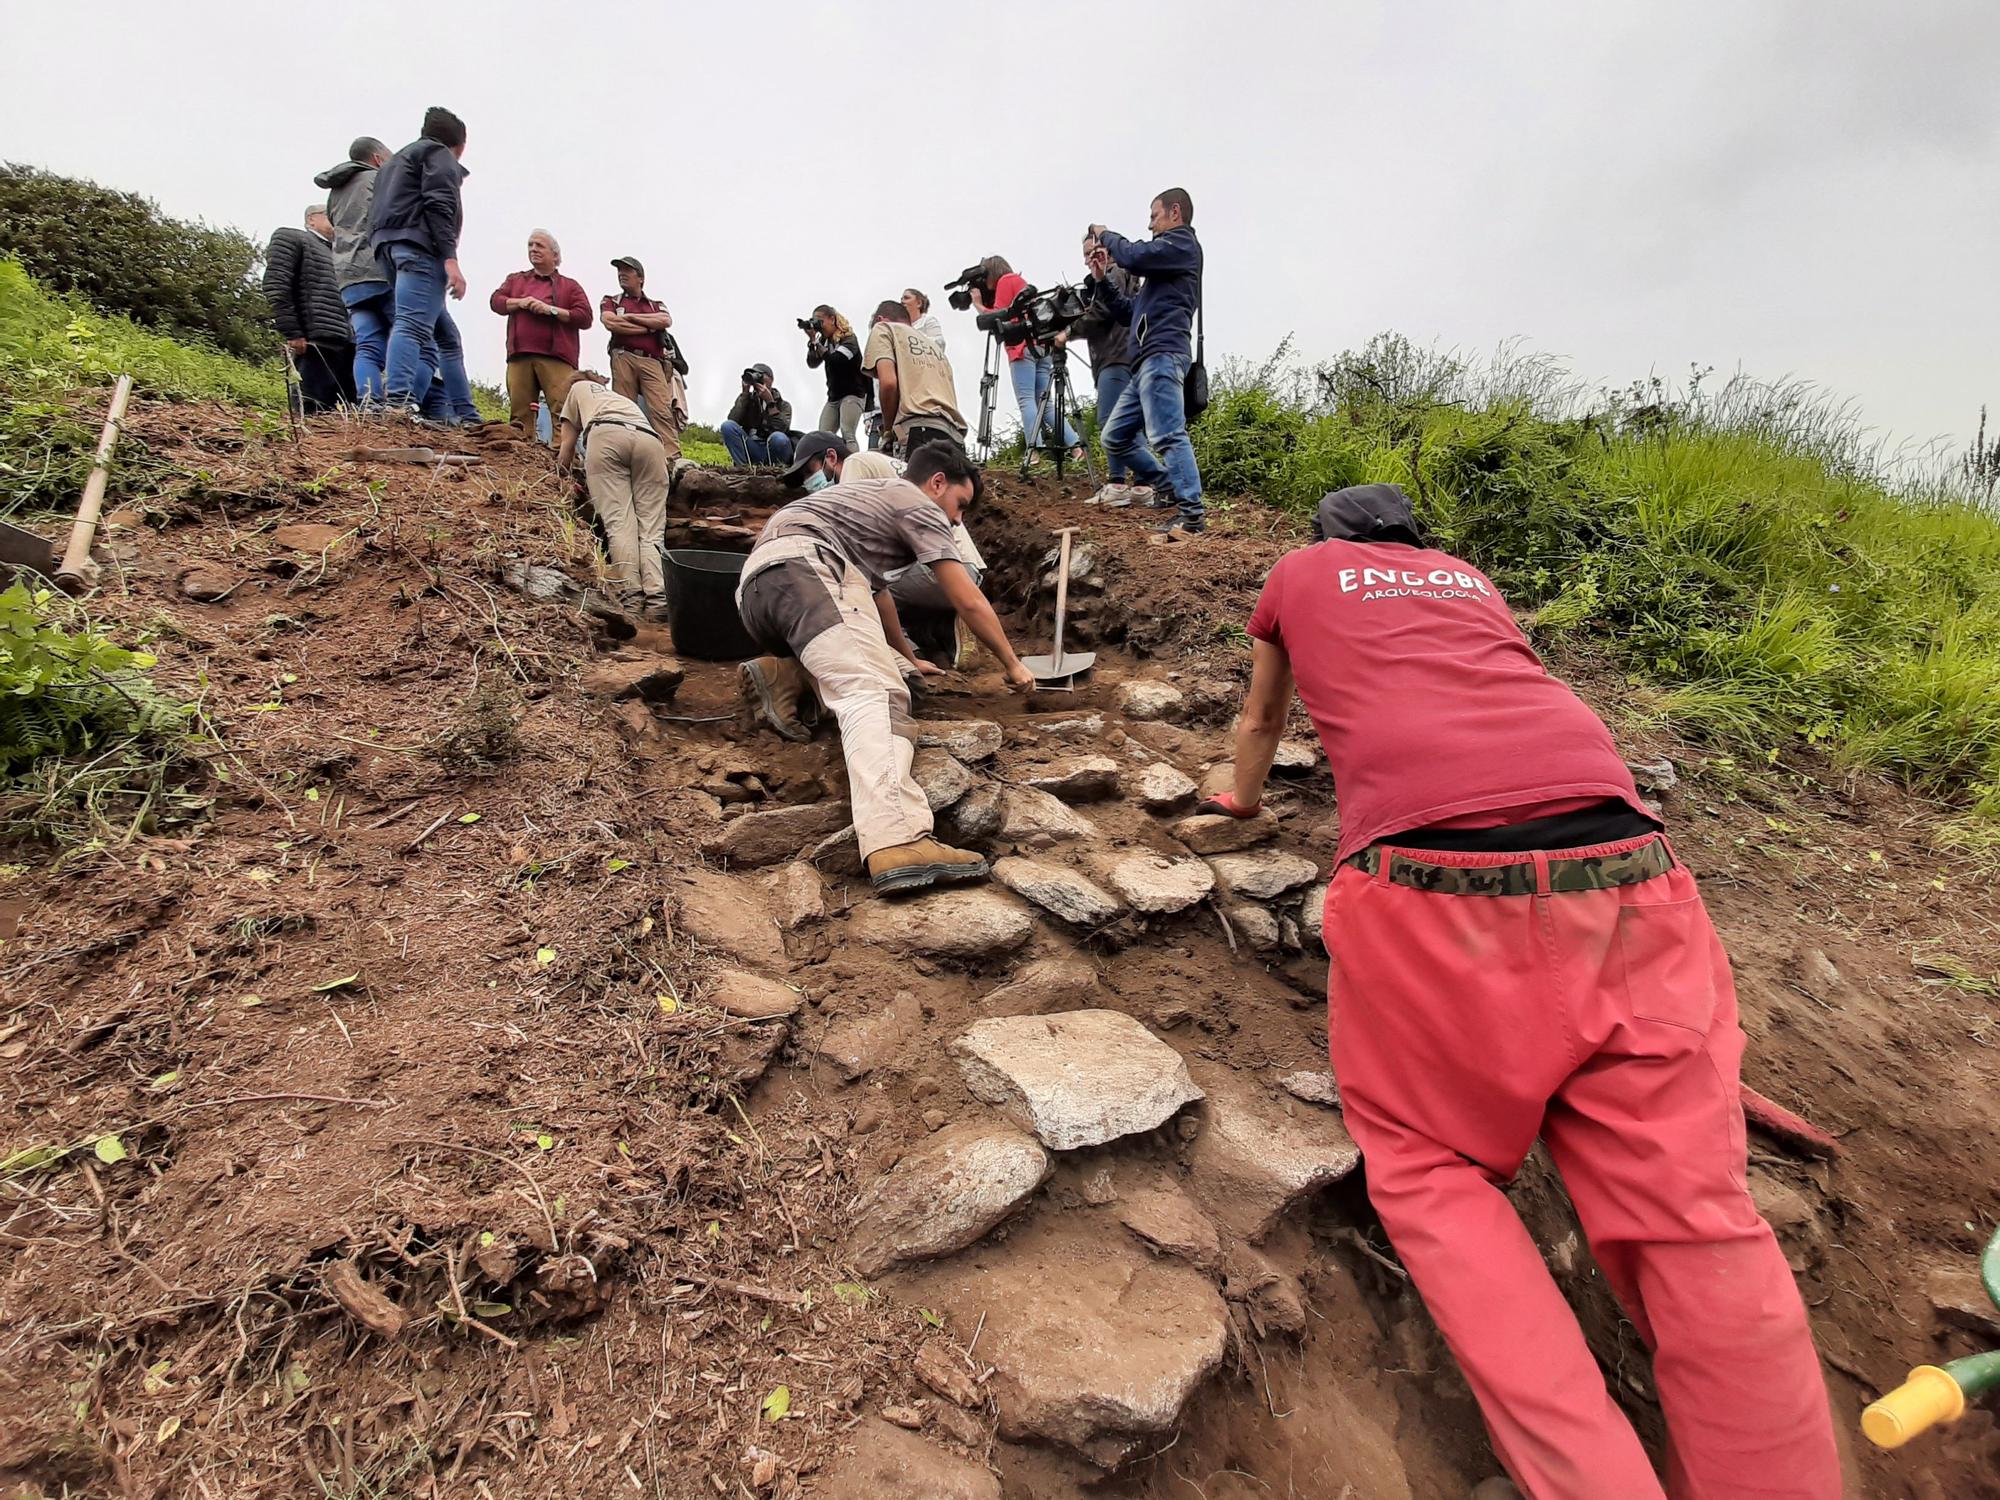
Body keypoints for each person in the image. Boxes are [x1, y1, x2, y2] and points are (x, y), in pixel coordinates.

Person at [1203, 482, 1843, 1500]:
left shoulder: (1298, 575)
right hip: (1631, 875)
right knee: (1692, 1221)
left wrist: (1237, 801)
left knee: (1431, 1170)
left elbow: (1260, 715)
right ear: (1417, 541)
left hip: (1427, 886)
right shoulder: (1466, 579)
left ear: (1322, 539)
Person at [735, 443, 1035, 892]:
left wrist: (908, 656)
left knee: (891, 673)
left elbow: (876, 594)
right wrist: (1013, 664)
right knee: (874, 691)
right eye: (960, 505)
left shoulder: (867, 504)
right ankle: (898, 838)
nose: (957, 520)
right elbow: (966, 598)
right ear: (937, 483)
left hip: (760, 591)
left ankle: (784, 674)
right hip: (808, 571)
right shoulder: (915, 502)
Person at [780, 431, 987, 671]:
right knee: (877, 585)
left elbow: (851, 543)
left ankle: (904, 657)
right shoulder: (891, 469)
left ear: (831, 457)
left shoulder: (855, 465)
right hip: (954, 568)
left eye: (809, 471)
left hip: (946, 569)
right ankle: (936, 631)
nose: (809, 482)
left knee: (852, 587)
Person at [1088, 187, 1206, 536]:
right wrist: (1100, 282)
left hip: (1163, 355)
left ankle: (1192, 518)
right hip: (1144, 364)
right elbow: (1127, 312)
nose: (1150, 224)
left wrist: (1106, 235)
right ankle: (1169, 484)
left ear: (1175, 212)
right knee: (1114, 436)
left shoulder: (1182, 245)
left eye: (1154, 216)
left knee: (1168, 434)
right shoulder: (1161, 272)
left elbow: (1133, 255)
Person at [369, 106, 470, 419]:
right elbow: (440, 204)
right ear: (461, 146)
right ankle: (398, 402)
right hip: (420, 249)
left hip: (388, 246)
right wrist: (450, 258)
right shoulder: (439, 156)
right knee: (412, 325)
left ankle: (467, 414)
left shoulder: (395, 163)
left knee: (446, 337)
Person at [554, 370, 670, 620]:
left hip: (606, 435)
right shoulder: (620, 399)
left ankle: (631, 597)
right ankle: (658, 599)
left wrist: (559, 476)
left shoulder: (576, 391)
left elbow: (567, 447)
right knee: (651, 529)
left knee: (620, 524)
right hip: (650, 441)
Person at [969, 255, 1081, 465]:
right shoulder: (1020, 282)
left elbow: (997, 316)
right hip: (1042, 347)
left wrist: (978, 304)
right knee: (1044, 403)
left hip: (1021, 349)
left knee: (1026, 399)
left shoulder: (1005, 281)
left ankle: (1033, 452)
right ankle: (1075, 446)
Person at [1071, 230, 1152, 508]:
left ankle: (1118, 483)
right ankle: (1142, 486)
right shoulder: (1127, 275)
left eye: (1089, 253)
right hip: (1127, 356)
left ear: (1105, 251)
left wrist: (1068, 331)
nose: (1086, 261)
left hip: (1114, 357)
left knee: (1110, 421)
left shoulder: (1113, 274)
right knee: (1130, 422)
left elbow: (1103, 312)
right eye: (1084, 255)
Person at [490, 230, 592, 436]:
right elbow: (496, 302)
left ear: (555, 255)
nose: (533, 249)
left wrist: (551, 310)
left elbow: (585, 317)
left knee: (563, 411)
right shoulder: (516, 280)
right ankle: (522, 456)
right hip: (520, 355)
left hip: (557, 358)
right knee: (520, 414)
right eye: (530, 245)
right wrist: (520, 302)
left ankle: (564, 461)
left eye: (539, 245)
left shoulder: (569, 286)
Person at [314, 137, 391, 404]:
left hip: (349, 277)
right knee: (408, 337)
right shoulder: (378, 180)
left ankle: (369, 403)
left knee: (368, 344)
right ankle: (403, 403)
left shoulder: (335, 192)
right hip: (380, 270)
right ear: (378, 158)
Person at [263, 206, 357, 414]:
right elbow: (276, 285)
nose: (336, 220)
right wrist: (292, 331)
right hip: (315, 341)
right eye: (329, 214)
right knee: (311, 408)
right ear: (311, 220)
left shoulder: (343, 255)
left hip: (349, 345)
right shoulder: (293, 238)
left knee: (348, 414)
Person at [599, 255, 687, 457]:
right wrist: (648, 328)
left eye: (627, 270)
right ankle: (624, 455)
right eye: (619, 270)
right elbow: (611, 323)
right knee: (624, 407)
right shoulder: (611, 300)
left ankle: (672, 457)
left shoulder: (656, 304)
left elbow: (665, 320)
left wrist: (630, 317)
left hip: (652, 360)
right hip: (623, 356)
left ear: (640, 277)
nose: (622, 274)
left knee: (661, 409)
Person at [863, 300, 967, 455]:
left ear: (880, 319)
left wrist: (887, 430)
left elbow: (889, 383)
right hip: (954, 435)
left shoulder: (883, 329)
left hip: (917, 432)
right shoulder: (933, 346)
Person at [803, 305, 870, 448]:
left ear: (832, 319)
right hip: (834, 396)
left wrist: (817, 344)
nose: (818, 326)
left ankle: (854, 467)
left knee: (848, 434)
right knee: (822, 437)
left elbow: (836, 361)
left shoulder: (849, 339)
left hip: (853, 394)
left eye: (820, 321)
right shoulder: (824, 341)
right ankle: (828, 468)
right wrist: (812, 341)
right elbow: (812, 363)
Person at [720, 366, 794, 467]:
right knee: (727, 426)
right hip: (753, 447)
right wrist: (745, 394)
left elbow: (782, 429)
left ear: (771, 379)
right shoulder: (748, 400)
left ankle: (778, 470)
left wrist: (770, 403)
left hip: (773, 450)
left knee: (778, 438)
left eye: (761, 375)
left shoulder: (783, 405)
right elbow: (733, 420)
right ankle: (743, 468)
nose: (757, 380)